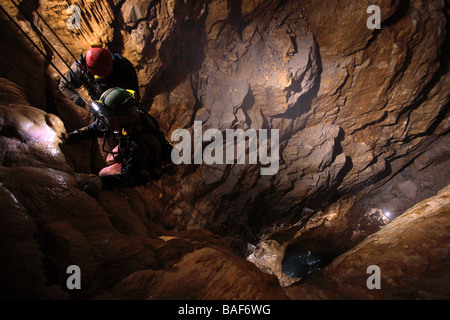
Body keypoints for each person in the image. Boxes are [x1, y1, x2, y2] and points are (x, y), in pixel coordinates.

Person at [64, 87, 171, 195]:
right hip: (133, 146)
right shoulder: (127, 114)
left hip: (145, 165)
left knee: (103, 173)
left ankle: (126, 193)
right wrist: (69, 137)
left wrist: (101, 182)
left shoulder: (138, 143)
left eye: (110, 119)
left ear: (122, 118)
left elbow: (130, 177)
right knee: (109, 159)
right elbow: (96, 128)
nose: (108, 122)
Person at [59, 44, 140, 110]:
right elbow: (64, 85)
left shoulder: (123, 66)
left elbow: (134, 95)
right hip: (100, 106)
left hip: (122, 104)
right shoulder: (80, 69)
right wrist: (83, 103)